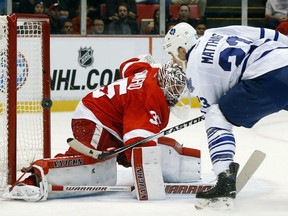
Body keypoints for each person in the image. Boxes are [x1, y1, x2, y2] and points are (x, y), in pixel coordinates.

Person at [3, 54, 202, 201]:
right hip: (95, 118)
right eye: (174, 89)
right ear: (164, 84)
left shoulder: (152, 71)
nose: (176, 95)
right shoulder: (148, 100)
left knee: (125, 155)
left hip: (110, 119)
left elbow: (127, 66)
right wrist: (147, 177)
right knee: (91, 164)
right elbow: (137, 142)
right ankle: (35, 177)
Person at [163, 22, 288, 209]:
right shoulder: (213, 32)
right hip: (281, 56)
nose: (173, 59)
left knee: (216, 116)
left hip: (266, 79)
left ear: (181, 49)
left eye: (172, 53)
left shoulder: (194, 72)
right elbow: (262, 33)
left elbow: (214, 113)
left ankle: (224, 179)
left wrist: (212, 112)